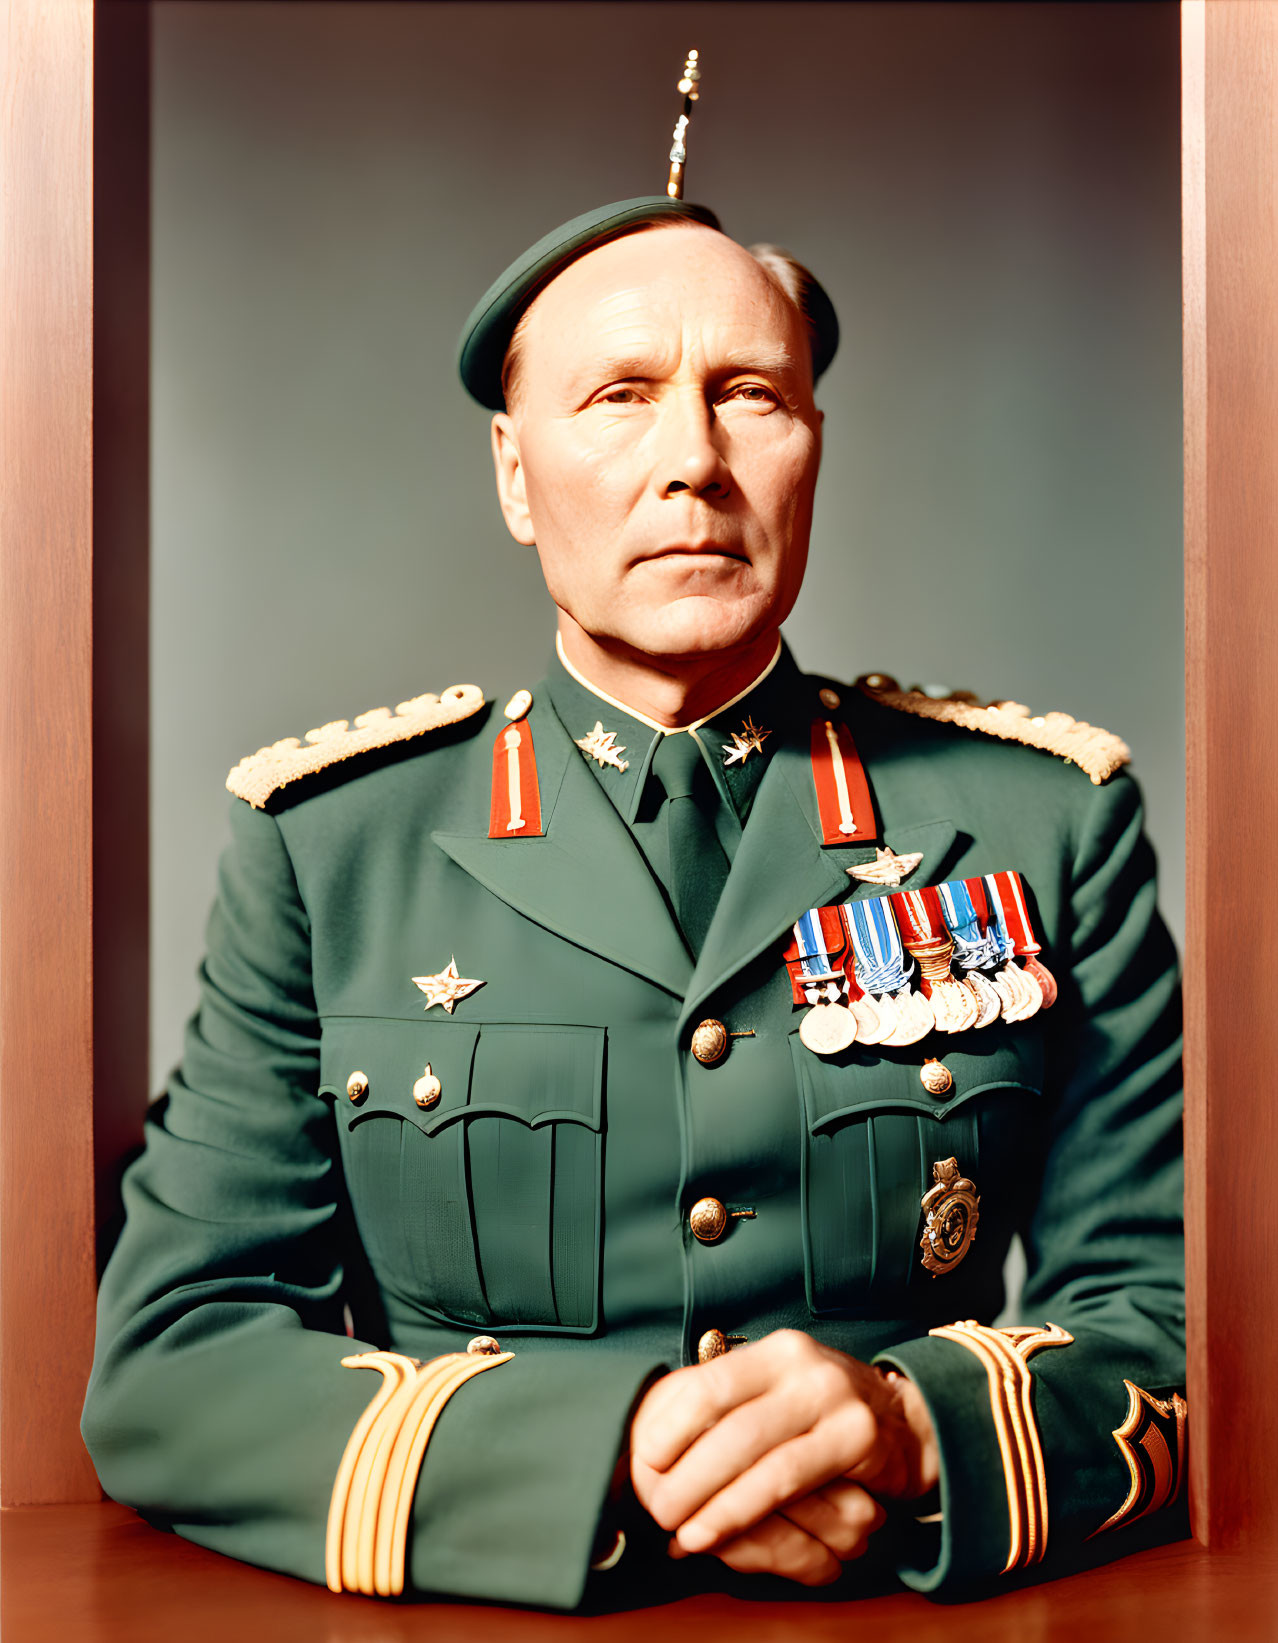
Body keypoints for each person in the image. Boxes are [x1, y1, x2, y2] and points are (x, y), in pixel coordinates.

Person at [81, 153, 1185, 1608]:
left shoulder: (1044, 825)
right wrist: (598, 1451)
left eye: (750, 394)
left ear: (811, 446)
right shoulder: (330, 845)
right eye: (618, 398)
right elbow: (175, 1364)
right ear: (512, 474)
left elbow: (1182, 1321)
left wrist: (918, 1429)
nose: (694, 461)